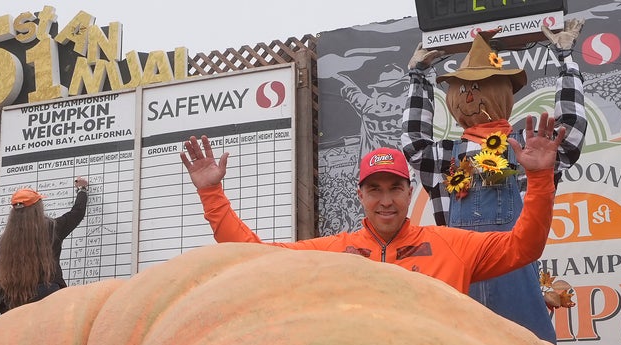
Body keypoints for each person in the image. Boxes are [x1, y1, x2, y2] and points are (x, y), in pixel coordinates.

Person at [178, 111, 566, 295]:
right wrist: (212, 194)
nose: (385, 201)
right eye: (375, 190)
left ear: (409, 192)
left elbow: (523, 247)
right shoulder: (333, 252)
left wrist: (538, 178)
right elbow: (255, 256)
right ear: (360, 195)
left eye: (394, 189)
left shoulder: (453, 246)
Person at [400, 23, 587, 343]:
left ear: (502, 93)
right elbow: (414, 142)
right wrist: (418, 78)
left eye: (480, 86)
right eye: (462, 88)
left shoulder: (526, 148)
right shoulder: (445, 157)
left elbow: (569, 135)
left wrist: (566, 61)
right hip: (461, 296)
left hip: (519, 291)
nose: (469, 95)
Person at [0, 176, 90, 315]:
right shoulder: (52, 228)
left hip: (14, 305)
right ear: (37, 209)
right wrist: (82, 190)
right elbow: (77, 213)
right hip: (49, 302)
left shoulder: (4, 241)